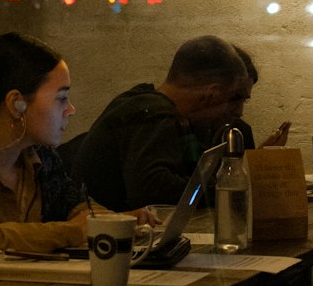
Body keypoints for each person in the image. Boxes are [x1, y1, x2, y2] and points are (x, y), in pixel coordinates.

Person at [0, 32, 90, 272]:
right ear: (17, 103)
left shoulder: (39, 155)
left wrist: (117, 223)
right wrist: (68, 232)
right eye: (61, 98)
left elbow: (74, 203)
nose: (70, 109)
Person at [72, 35, 251, 209]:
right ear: (213, 93)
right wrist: (227, 191)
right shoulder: (154, 115)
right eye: (235, 98)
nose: (238, 111)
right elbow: (152, 190)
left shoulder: (146, 106)